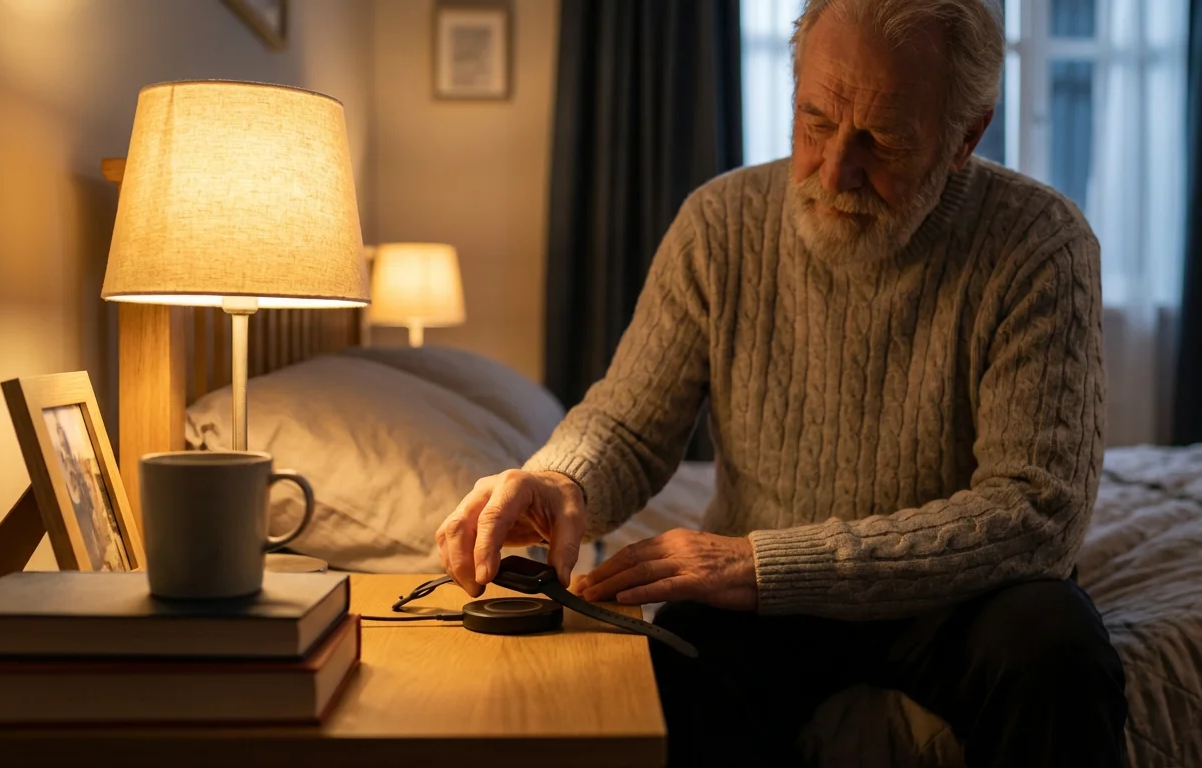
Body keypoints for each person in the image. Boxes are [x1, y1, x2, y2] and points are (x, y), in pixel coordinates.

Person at [436, 0, 1127, 765]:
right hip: (755, 598)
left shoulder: (1040, 244)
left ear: (966, 136)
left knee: (1056, 651)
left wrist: (763, 564)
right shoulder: (719, 225)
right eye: (817, 121)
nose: (836, 171)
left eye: (883, 138)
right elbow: (630, 424)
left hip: (954, 596)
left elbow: (1035, 512)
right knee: (663, 681)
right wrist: (558, 480)